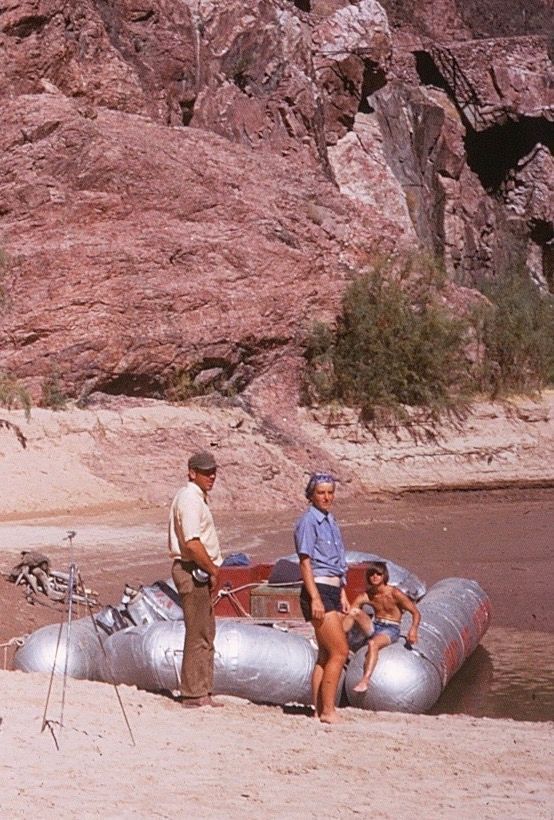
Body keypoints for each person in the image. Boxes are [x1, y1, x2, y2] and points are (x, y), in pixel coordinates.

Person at [168, 450, 224, 708]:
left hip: (195, 568)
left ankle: (201, 690)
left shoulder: (194, 498)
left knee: (204, 631)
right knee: (198, 633)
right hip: (192, 569)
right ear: (192, 473)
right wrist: (213, 569)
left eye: (213, 471)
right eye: (205, 472)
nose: (211, 476)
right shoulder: (190, 499)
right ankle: (193, 693)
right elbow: (192, 543)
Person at [294, 472, 349, 724]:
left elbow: (336, 562)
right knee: (340, 651)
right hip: (318, 590)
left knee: (326, 654)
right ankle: (328, 710)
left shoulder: (330, 520)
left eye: (330, 492)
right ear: (311, 495)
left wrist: (343, 593)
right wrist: (315, 598)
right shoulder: (308, 522)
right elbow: (305, 562)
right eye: (321, 493)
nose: (326, 497)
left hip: (333, 589)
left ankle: (317, 709)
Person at [343, 561, 420, 693]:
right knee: (354, 612)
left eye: (379, 574)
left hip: (391, 629)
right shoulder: (368, 595)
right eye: (372, 574)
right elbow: (352, 609)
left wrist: (413, 630)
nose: (375, 576)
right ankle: (338, 642)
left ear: (384, 576)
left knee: (373, 644)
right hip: (374, 624)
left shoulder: (395, 594)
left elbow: (415, 612)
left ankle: (365, 680)